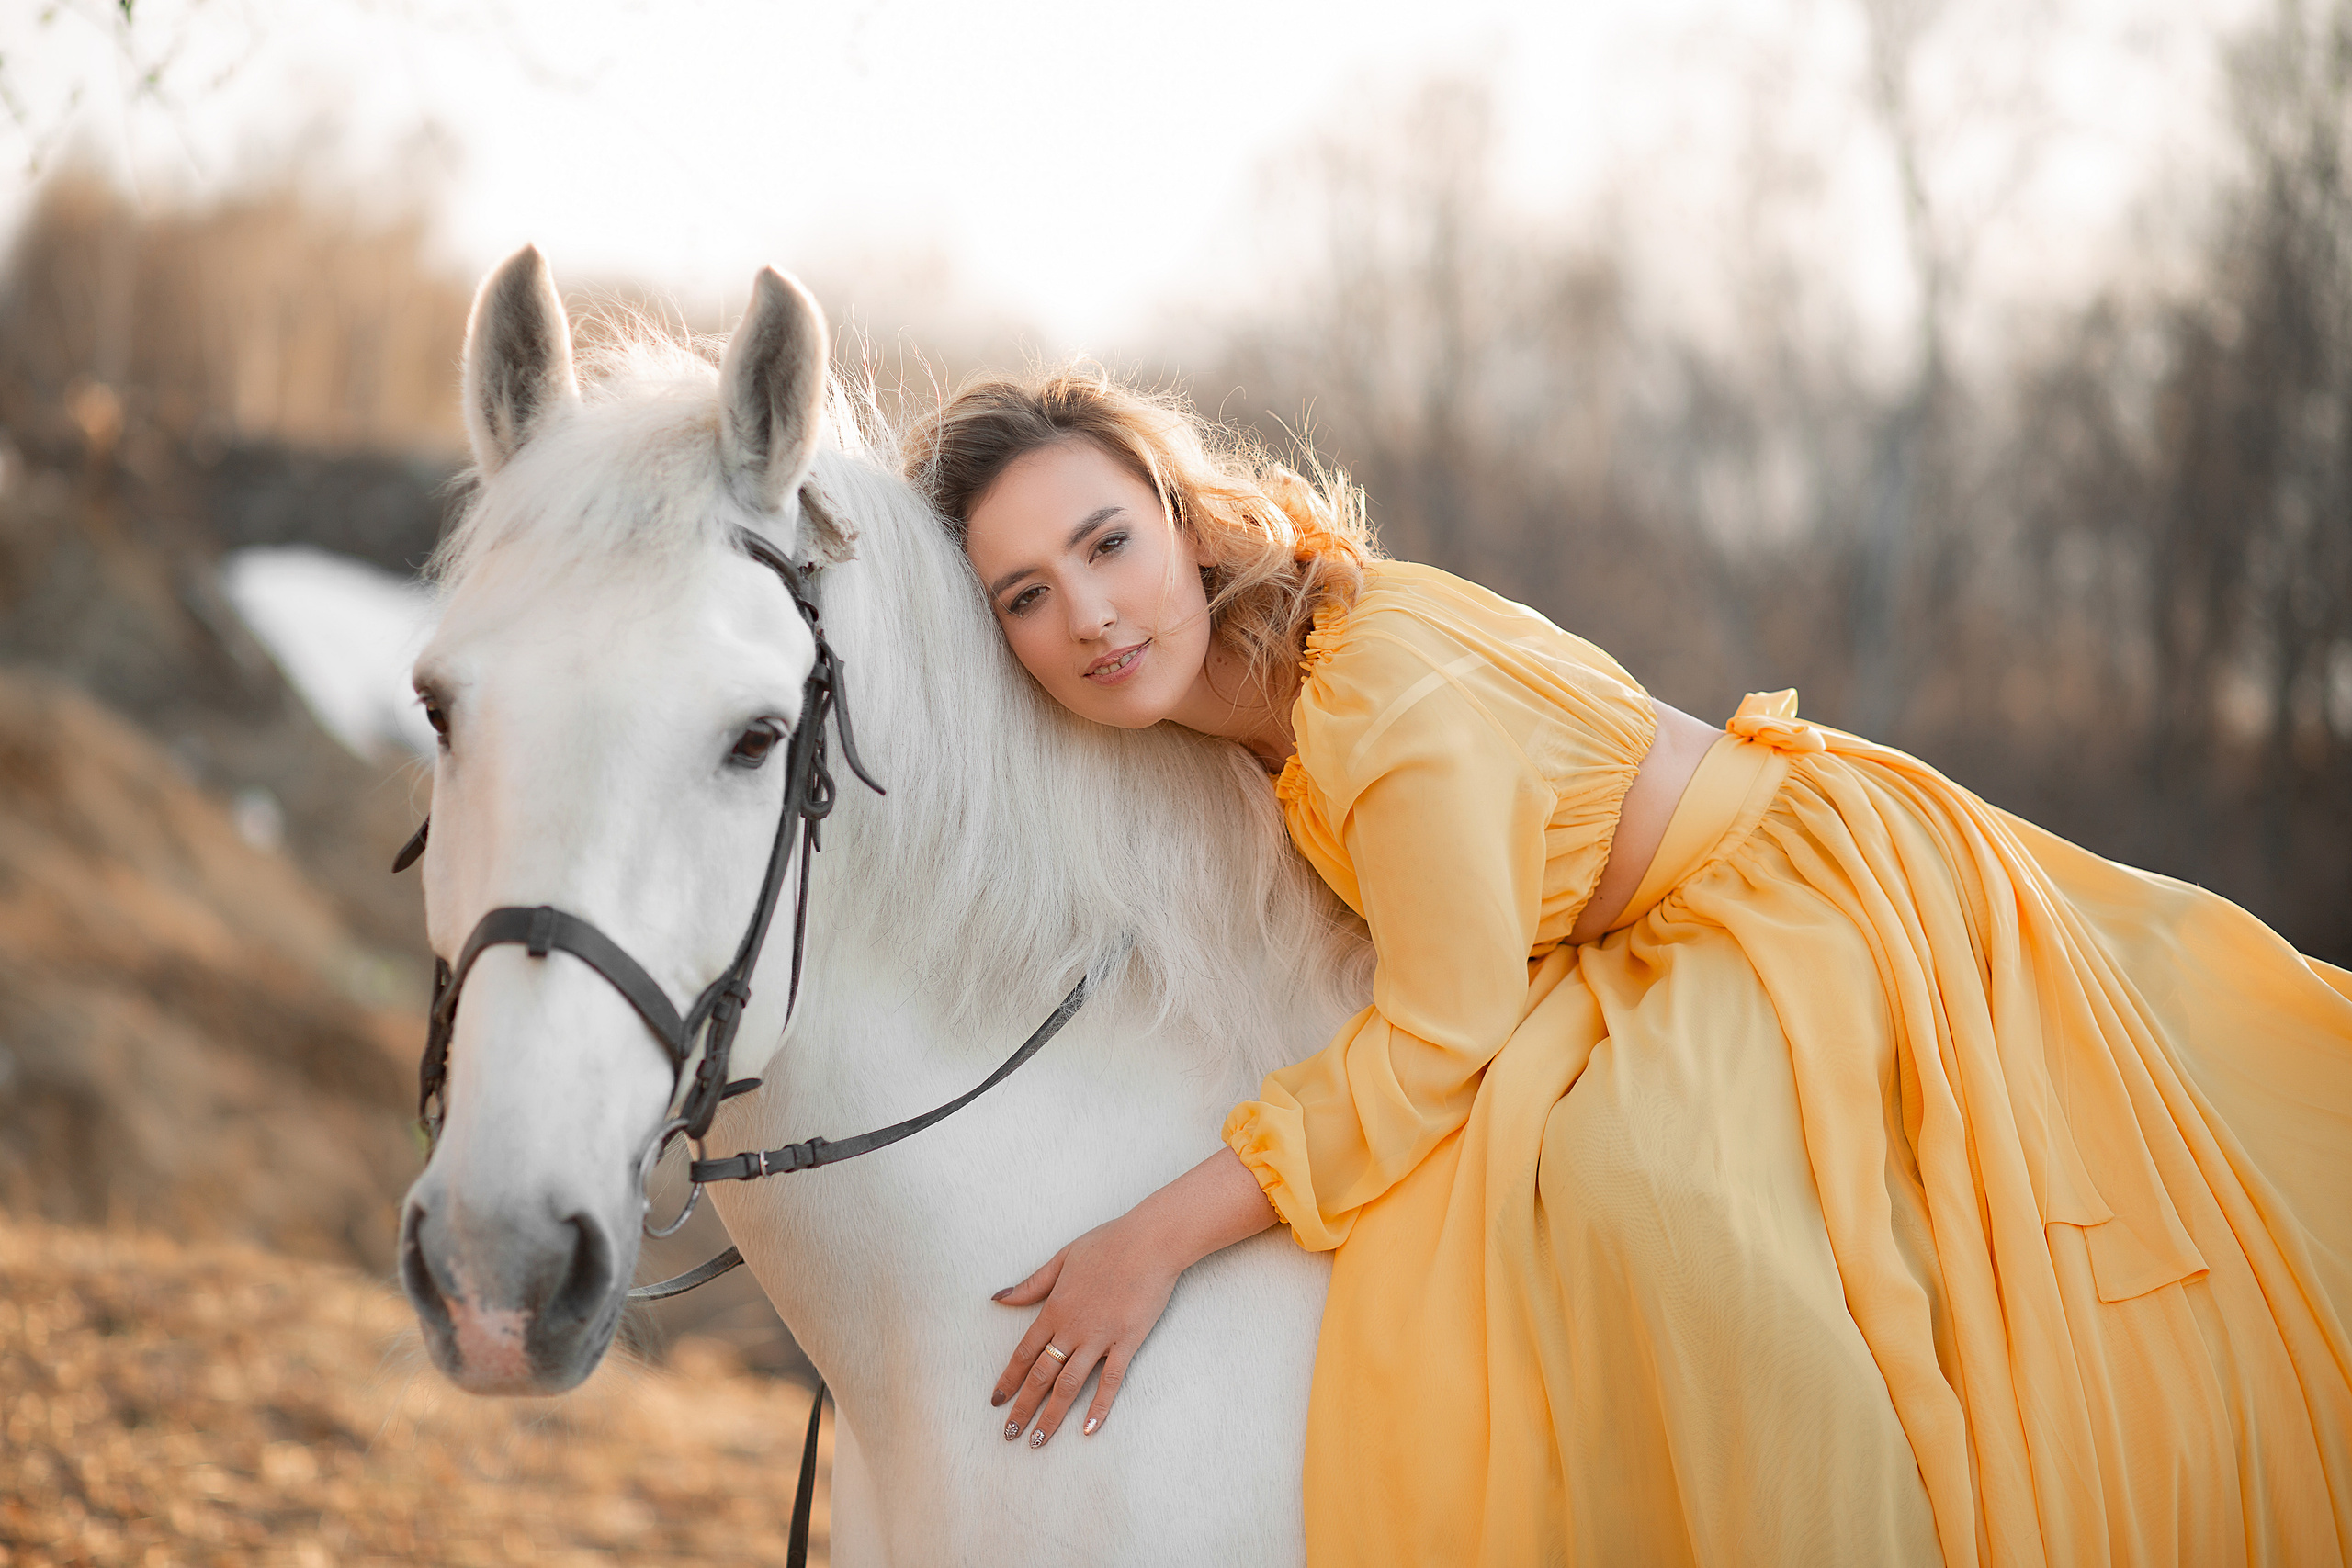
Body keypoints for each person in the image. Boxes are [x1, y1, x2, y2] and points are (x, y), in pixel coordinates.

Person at [901, 367, 2352, 1567]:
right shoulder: (1241, 692)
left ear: (1181, 517)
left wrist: (1155, 1238)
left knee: (1655, 1199)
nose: (1088, 615)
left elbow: (1440, 1034)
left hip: (1780, 899)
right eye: (1024, 595)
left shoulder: (1373, 701)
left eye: (1106, 545)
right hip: (1652, 922)